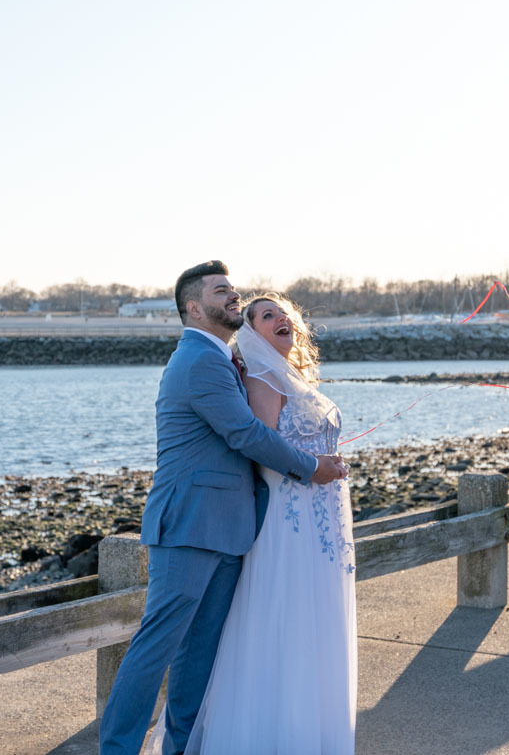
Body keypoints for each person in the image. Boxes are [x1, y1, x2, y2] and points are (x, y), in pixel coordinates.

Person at [99, 262, 347, 755]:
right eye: (221, 291)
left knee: (199, 657)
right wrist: (309, 467)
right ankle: (118, 749)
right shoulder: (198, 360)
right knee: (156, 648)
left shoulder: (228, 359)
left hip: (231, 529)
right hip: (190, 524)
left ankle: (182, 747)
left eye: (232, 289)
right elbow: (245, 433)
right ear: (194, 307)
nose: (233, 296)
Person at [178, 292, 357, 754]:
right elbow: (263, 454)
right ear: (252, 331)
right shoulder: (260, 378)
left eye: (284, 314)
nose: (281, 319)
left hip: (323, 523)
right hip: (289, 520)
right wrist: (315, 465)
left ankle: (312, 730)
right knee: (289, 618)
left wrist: (327, 464)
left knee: (318, 620)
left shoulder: (293, 378)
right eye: (266, 315)